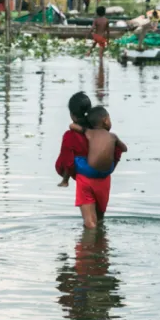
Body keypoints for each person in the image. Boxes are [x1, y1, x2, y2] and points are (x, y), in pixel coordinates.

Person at [55, 92, 124, 228]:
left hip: (85, 181)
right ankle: (101, 246)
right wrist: (109, 168)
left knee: (90, 223)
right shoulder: (101, 132)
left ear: (72, 115)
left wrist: (68, 176)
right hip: (104, 179)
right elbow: (117, 151)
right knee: (99, 221)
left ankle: (88, 247)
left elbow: (67, 161)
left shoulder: (71, 136)